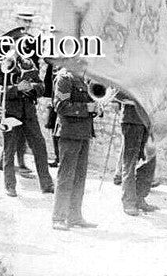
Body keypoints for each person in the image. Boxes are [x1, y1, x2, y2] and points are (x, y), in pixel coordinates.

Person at [0, 49, 54, 198]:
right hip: (10, 113)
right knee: (9, 149)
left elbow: (41, 87)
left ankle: (47, 185)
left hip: (28, 113)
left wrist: (32, 87)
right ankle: (10, 186)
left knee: (40, 146)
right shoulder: (0, 64)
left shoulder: (28, 63)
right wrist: (17, 88)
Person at [52, 67, 97, 230]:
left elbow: (90, 104)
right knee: (66, 176)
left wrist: (96, 109)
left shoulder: (84, 79)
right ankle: (58, 217)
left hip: (83, 133)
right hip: (69, 133)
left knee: (79, 177)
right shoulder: (65, 78)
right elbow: (60, 106)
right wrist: (87, 109)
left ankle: (74, 216)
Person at [116, 91, 156, 216]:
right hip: (132, 120)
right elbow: (117, 93)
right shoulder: (129, 76)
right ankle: (128, 202)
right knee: (130, 163)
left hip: (148, 121)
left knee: (149, 162)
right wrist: (138, 98)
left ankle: (140, 198)